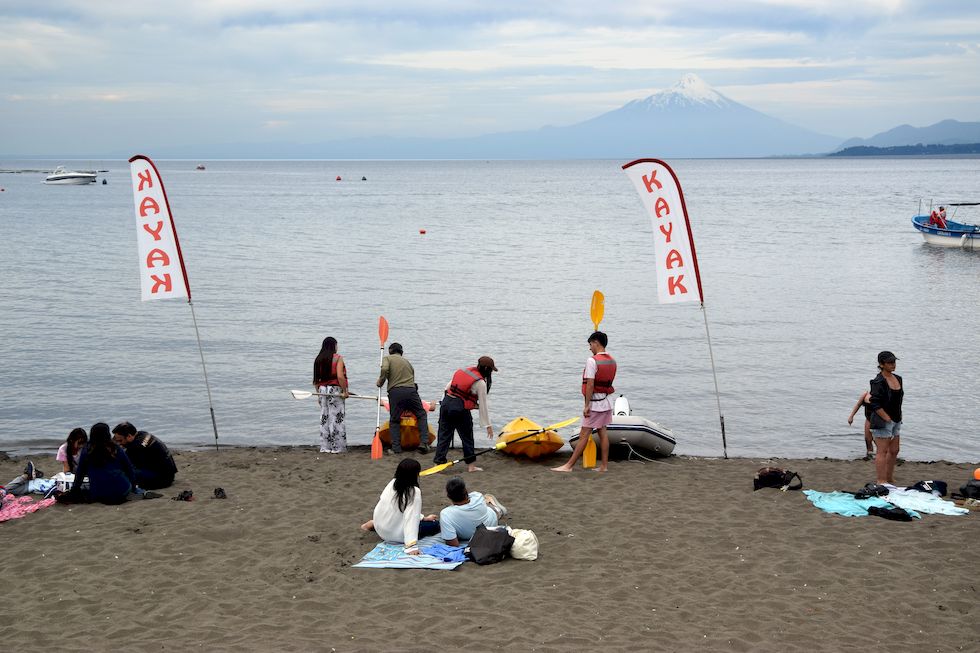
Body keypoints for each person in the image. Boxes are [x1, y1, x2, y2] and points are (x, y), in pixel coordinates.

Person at [552, 331, 616, 473]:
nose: (589, 348)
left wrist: (587, 405)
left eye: (590, 344)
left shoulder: (592, 360)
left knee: (584, 435)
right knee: (603, 432)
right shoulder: (612, 360)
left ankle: (568, 466)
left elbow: (590, 385)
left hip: (595, 404)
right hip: (607, 402)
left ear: (596, 343)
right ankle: (604, 466)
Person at [360, 459, 439, 555]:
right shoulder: (414, 491)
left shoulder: (393, 482)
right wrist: (411, 545)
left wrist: (423, 518)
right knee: (435, 525)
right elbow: (411, 518)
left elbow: (385, 505)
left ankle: (373, 523)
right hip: (395, 535)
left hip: (380, 526)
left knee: (412, 517)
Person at [433, 356, 497, 473]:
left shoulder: (464, 371)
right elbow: (483, 405)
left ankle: (438, 463)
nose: (491, 373)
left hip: (446, 404)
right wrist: (488, 426)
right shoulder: (481, 382)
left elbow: (448, 388)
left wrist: (444, 403)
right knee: (467, 437)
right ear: (487, 368)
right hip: (459, 409)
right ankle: (471, 466)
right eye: (491, 370)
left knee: (444, 435)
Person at [65, 423, 141, 504]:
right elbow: (129, 469)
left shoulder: (86, 450)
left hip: (98, 494)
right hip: (122, 491)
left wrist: (74, 490)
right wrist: (133, 487)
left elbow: (80, 474)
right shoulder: (116, 448)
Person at [376, 343, 431, 454]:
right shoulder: (407, 362)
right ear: (401, 352)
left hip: (396, 391)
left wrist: (380, 382)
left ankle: (396, 448)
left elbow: (385, 369)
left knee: (395, 419)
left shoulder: (387, 358)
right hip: (411, 391)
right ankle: (424, 442)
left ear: (390, 351)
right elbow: (412, 376)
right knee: (421, 414)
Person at [868, 351, 903, 485]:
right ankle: (881, 480)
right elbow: (874, 402)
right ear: (881, 364)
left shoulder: (898, 378)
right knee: (882, 451)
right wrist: (887, 418)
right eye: (889, 362)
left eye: (894, 362)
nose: (893, 365)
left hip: (897, 419)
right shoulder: (878, 381)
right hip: (882, 420)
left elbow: (898, 400)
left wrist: (897, 418)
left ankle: (889, 477)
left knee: (894, 450)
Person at [437, 476, 503, 546]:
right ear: (465, 490)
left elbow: (453, 544)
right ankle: (495, 506)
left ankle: (494, 506)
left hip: (472, 534)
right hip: (492, 523)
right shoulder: (478, 496)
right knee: (486, 500)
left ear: (449, 496)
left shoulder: (446, 514)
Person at [111, 422, 178, 490]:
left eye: (120, 440)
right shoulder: (142, 434)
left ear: (129, 436)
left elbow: (126, 464)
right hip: (169, 474)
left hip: (162, 479)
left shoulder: (136, 447)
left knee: (123, 471)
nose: (119, 443)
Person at [313, 336, 349, 453]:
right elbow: (340, 376)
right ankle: (338, 447)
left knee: (325, 417)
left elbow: (316, 380)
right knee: (336, 418)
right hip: (334, 390)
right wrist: (345, 391)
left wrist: (319, 393)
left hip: (322, 390)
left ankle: (325, 447)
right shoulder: (338, 358)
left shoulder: (318, 359)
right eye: (336, 345)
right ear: (333, 345)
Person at [847, 391, 875, 459]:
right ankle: (869, 453)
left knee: (877, 439)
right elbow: (858, 405)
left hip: (879, 420)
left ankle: (883, 454)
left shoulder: (881, 395)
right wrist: (851, 416)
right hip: (868, 419)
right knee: (867, 439)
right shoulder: (865, 394)